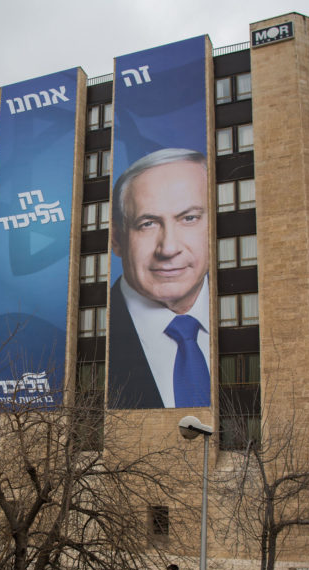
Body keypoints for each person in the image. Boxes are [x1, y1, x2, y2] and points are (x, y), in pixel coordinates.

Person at [108, 148, 211, 409]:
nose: (168, 248)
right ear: (117, 239)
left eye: (189, 218)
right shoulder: (89, 339)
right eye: (148, 223)